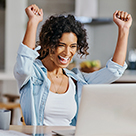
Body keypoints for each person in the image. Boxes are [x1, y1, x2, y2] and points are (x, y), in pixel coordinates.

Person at [14, 4, 132, 126]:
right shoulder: (32, 75)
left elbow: (114, 71)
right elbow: (24, 66)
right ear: (49, 44)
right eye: (61, 45)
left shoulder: (78, 81)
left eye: (72, 46)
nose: (67, 52)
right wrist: (33, 22)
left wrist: (124, 29)